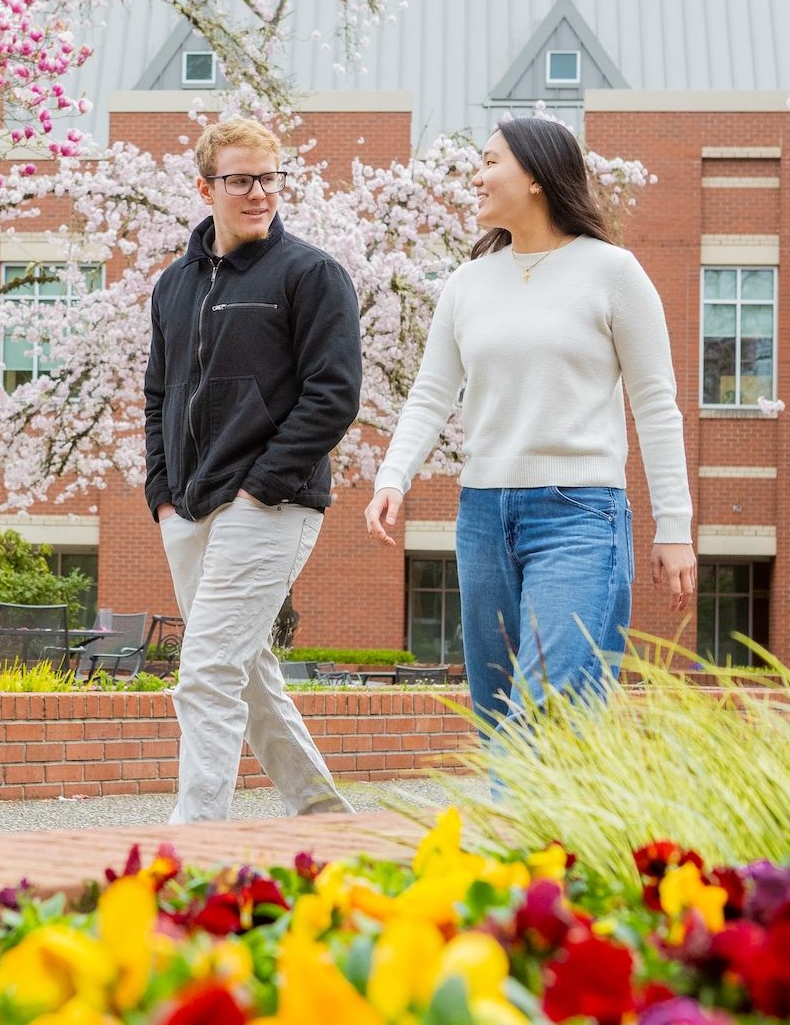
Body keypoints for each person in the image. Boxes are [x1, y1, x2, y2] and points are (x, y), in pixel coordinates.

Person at [365, 115, 697, 730]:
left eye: (491, 162)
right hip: (483, 516)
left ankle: (534, 826)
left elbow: (656, 404)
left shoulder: (614, 272)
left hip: (581, 516)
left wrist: (673, 526)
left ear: (538, 177)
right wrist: (393, 476)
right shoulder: (468, 283)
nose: (477, 175)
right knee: (496, 711)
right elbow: (432, 392)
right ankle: (540, 829)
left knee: (545, 707)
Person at [143, 117, 362, 823]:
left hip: (271, 505)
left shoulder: (310, 274)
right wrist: (161, 493)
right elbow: (157, 392)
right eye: (241, 179)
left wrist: (262, 484)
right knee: (250, 674)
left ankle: (195, 837)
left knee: (206, 670)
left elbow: (335, 395)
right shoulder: (174, 286)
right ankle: (324, 814)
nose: (259, 192)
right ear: (206, 187)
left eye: (270, 178)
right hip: (189, 507)